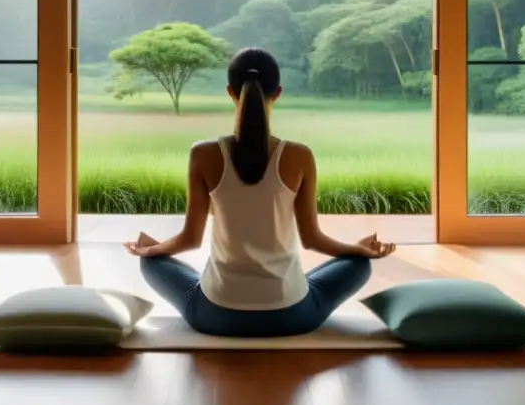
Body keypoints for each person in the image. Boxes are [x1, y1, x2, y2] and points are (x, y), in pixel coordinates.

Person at [124, 46, 396, 338]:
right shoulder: (299, 156)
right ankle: (297, 284)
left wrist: (151, 250)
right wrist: (359, 250)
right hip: (291, 316)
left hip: (216, 315)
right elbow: (312, 239)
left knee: (151, 263)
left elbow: (190, 239)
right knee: (359, 265)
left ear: (230, 92)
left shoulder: (202, 154)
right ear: (277, 93)